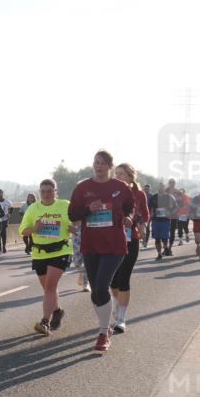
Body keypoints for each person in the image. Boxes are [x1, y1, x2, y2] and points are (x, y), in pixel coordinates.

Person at [68, 150, 135, 352]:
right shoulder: (83, 188)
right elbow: (72, 214)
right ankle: (105, 326)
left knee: (101, 285)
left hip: (115, 245)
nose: (98, 166)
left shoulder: (120, 187)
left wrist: (129, 217)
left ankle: (103, 332)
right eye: (96, 162)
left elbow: (130, 207)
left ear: (110, 166)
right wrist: (90, 209)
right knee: (97, 292)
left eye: (103, 163)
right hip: (91, 245)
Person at [20, 179, 72, 336]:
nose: (46, 194)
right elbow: (23, 231)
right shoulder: (33, 208)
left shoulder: (65, 205)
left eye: (50, 191)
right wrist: (35, 228)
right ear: (39, 193)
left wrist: (74, 228)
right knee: (48, 288)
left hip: (60, 250)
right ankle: (57, 311)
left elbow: (76, 223)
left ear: (55, 191)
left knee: (50, 287)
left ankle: (45, 322)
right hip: (39, 252)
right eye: (43, 191)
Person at [109, 163, 149, 333]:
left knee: (124, 278)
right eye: (116, 173)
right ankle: (117, 305)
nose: (118, 176)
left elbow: (145, 214)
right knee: (113, 281)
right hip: (112, 240)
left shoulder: (139, 194)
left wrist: (142, 225)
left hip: (131, 240)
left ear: (131, 176)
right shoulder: (111, 192)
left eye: (122, 174)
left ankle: (122, 318)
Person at [151, 182, 177, 260]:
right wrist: (150, 215)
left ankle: (165, 247)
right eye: (159, 187)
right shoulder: (154, 197)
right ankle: (159, 254)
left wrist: (170, 214)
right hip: (155, 220)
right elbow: (149, 207)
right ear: (157, 188)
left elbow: (175, 207)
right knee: (157, 238)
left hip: (165, 221)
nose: (160, 188)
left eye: (162, 187)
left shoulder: (169, 197)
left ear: (164, 188)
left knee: (164, 238)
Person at [0, 189, 12, 253]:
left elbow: (11, 208)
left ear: (3, 193)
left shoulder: (7, 201)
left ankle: (4, 246)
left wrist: (10, 214)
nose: (0, 194)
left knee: (3, 233)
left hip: (4, 219)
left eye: (1, 193)